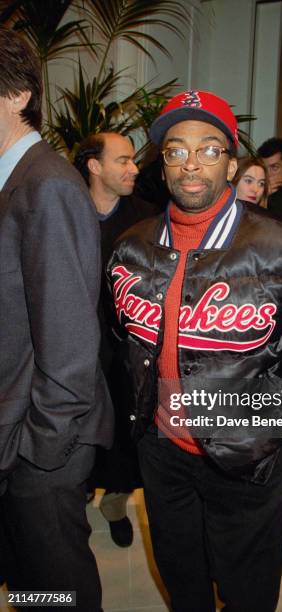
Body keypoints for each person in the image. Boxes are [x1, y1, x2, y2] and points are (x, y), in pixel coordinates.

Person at [107, 89, 282, 612]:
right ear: (162, 165)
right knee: (183, 581)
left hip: (247, 455)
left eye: (209, 149)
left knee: (248, 591)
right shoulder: (131, 246)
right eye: (176, 150)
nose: (191, 164)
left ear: (231, 162)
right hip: (161, 452)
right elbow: (123, 342)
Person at [0, 27, 113, 610]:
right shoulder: (16, 181)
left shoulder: (47, 184)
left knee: (56, 590)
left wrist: (39, 450)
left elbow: (69, 343)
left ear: (18, 93)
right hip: (19, 431)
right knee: (30, 585)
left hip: (42, 443)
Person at [74, 132, 159, 547]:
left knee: (127, 440)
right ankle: (78, 496)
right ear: (94, 166)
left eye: (133, 160)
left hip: (127, 354)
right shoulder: (64, 210)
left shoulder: (148, 219)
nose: (134, 168)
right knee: (76, 437)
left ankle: (116, 503)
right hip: (73, 351)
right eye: (123, 160)